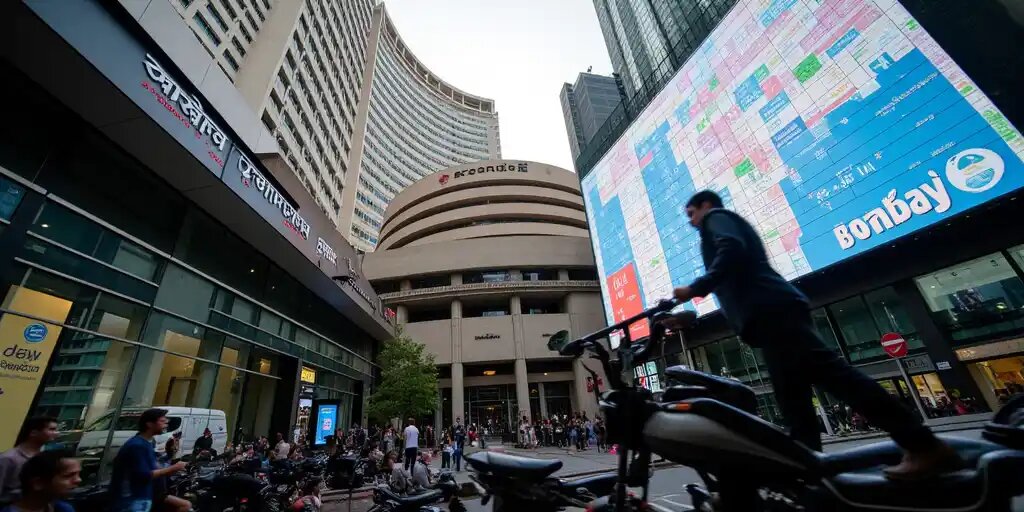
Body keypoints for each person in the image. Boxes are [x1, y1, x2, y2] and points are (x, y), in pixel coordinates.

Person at [673, 190, 959, 479]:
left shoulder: (716, 217)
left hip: (773, 312)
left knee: (836, 380)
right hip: (770, 314)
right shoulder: (718, 222)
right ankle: (807, 472)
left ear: (705, 205)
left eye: (691, 213)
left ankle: (922, 444)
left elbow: (732, 250)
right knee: (793, 401)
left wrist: (696, 288)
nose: (691, 221)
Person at [110, 408, 187, 512]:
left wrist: (170, 460)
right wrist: (174, 468)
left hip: (141, 497)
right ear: (149, 424)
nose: (166, 424)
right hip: (132, 500)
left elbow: (154, 464)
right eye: (162, 421)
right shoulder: (137, 445)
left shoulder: (147, 443)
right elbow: (144, 475)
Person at [0, 417, 59, 506]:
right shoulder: (8, 458)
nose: (56, 433)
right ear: (33, 433)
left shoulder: (44, 456)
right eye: (51, 429)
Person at [0, 450, 80, 512]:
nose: (78, 480)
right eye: (68, 476)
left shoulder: (64, 508)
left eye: (78, 474)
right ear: (38, 483)